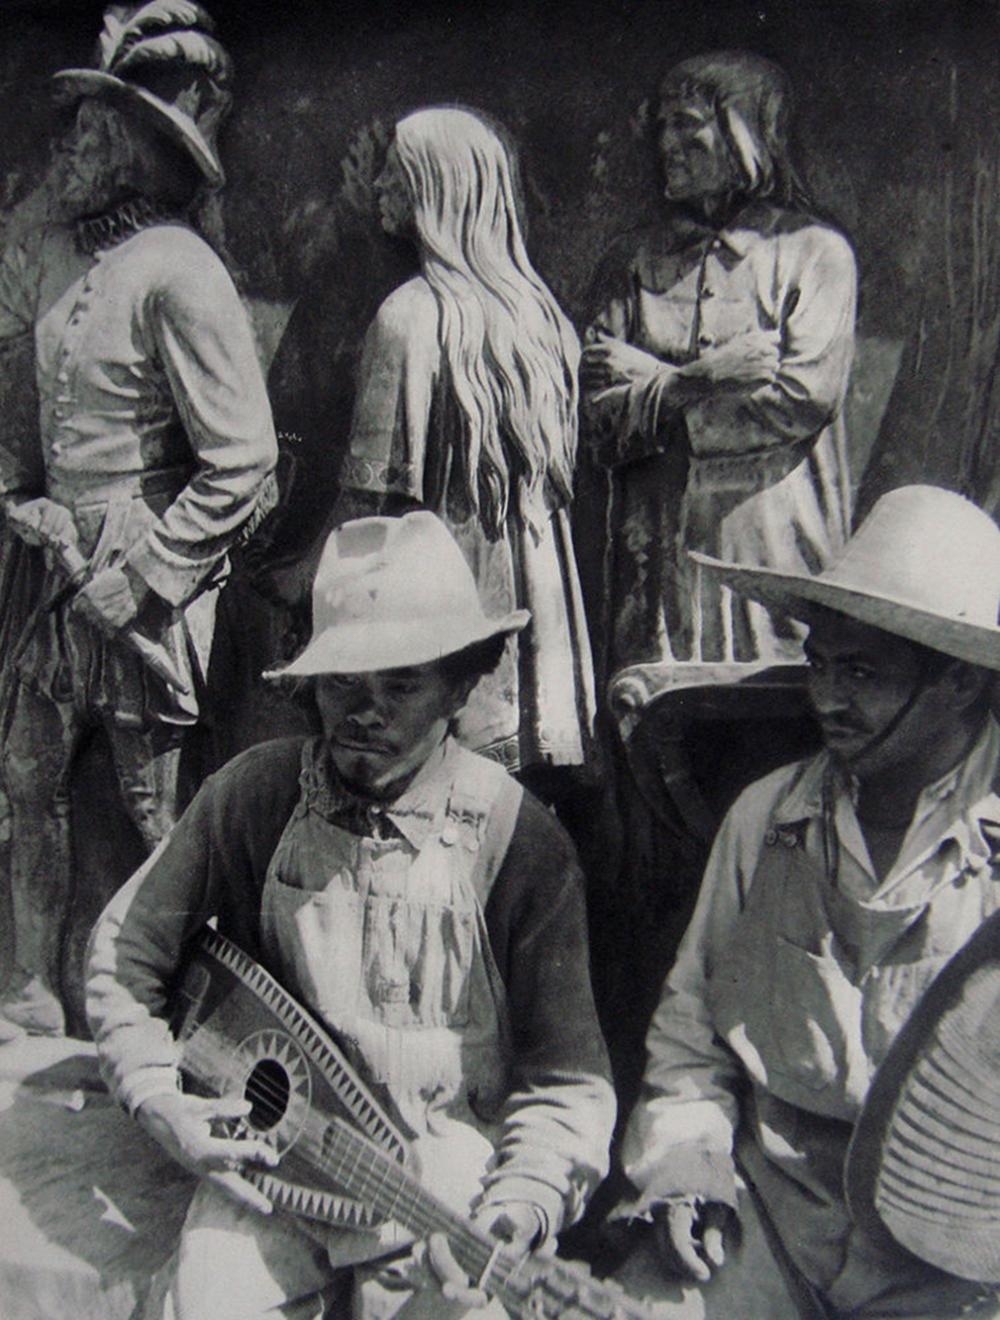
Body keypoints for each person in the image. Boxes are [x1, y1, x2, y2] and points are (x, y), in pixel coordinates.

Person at [86, 510, 616, 1320]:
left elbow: (567, 1084)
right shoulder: (258, 795)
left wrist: (521, 1202)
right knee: (201, 1306)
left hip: (441, 1170)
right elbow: (128, 954)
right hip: (268, 1150)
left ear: (463, 681)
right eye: (342, 683)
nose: (362, 713)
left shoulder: (519, 842)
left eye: (400, 685)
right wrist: (163, 1102)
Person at [612, 485, 1000, 1318]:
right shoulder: (769, 818)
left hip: (952, 1270)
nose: (825, 697)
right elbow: (691, 1037)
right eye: (820, 663)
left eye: (862, 672)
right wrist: (686, 1171)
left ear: (961, 685)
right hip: (768, 1224)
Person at [0, 3, 278, 1037]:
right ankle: (32, 988)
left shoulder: (183, 270)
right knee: (27, 777)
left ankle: (153, 1004)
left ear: (130, 151)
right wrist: (17, 494)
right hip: (51, 562)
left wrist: (152, 572)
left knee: (155, 802)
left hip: (141, 565)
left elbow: (243, 459)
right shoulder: (63, 262)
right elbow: (31, 418)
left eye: (89, 133)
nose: (69, 149)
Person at [324, 106, 596, 787]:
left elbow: (370, 502)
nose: (382, 183)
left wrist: (308, 578)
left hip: (440, 602)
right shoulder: (545, 319)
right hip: (537, 634)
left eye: (398, 171)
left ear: (437, 187)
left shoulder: (410, 318)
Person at [581, 51, 856, 675]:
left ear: (744, 131)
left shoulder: (815, 254)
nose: (667, 145)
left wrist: (648, 387)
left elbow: (801, 396)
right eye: (661, 128)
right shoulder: (631, 263)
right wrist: (694, 382)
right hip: (654, 557)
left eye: (686, 124)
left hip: (772, 551)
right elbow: (595, 411)